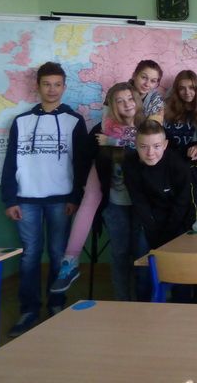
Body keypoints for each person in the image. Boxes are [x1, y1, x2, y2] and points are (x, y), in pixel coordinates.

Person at [1, 62, 88, 337]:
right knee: (30, 255)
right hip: (26, 199)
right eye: (47, 84)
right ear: (37, 86)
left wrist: (75, 197)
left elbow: (82, 165)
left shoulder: (75, 121)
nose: (52, 89)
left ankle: (56, 304)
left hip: (61, 200)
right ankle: (29, 310)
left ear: (64, 87)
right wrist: (10, 199)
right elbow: (10, 162)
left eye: (57, 84)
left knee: (58, 254)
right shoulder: (21, 121)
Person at [51, 82, 150, 301]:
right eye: (120, 101)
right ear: (112, 106)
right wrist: (81, 186)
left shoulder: (147, 126)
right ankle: (71, 261)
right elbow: (84, 159)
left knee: (143, 256)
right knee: (120, 254)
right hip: (114, 203)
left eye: (130, 99)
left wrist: (114, 141)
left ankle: (144, 305)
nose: (127, 104)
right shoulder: (102, 129)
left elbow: (149, 144)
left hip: (142, 205)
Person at [123, 120, 194, 250]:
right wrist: (154, 238)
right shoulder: (130, 165)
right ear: (136, 145)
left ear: (165, 145)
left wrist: (165, 238)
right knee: (142, 251)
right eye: (144, 146)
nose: (150, 153)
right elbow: (140, 202)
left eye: (156, 146)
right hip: (149, 218)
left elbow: (182, 203)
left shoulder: (178, 165)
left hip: (177, 219)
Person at [163, 69, 197, 154]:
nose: (187, 92)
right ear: (177, 90)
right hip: (169, 152)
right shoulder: (167, 107)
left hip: (194, 153)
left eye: (191, 88)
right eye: (182, 88)